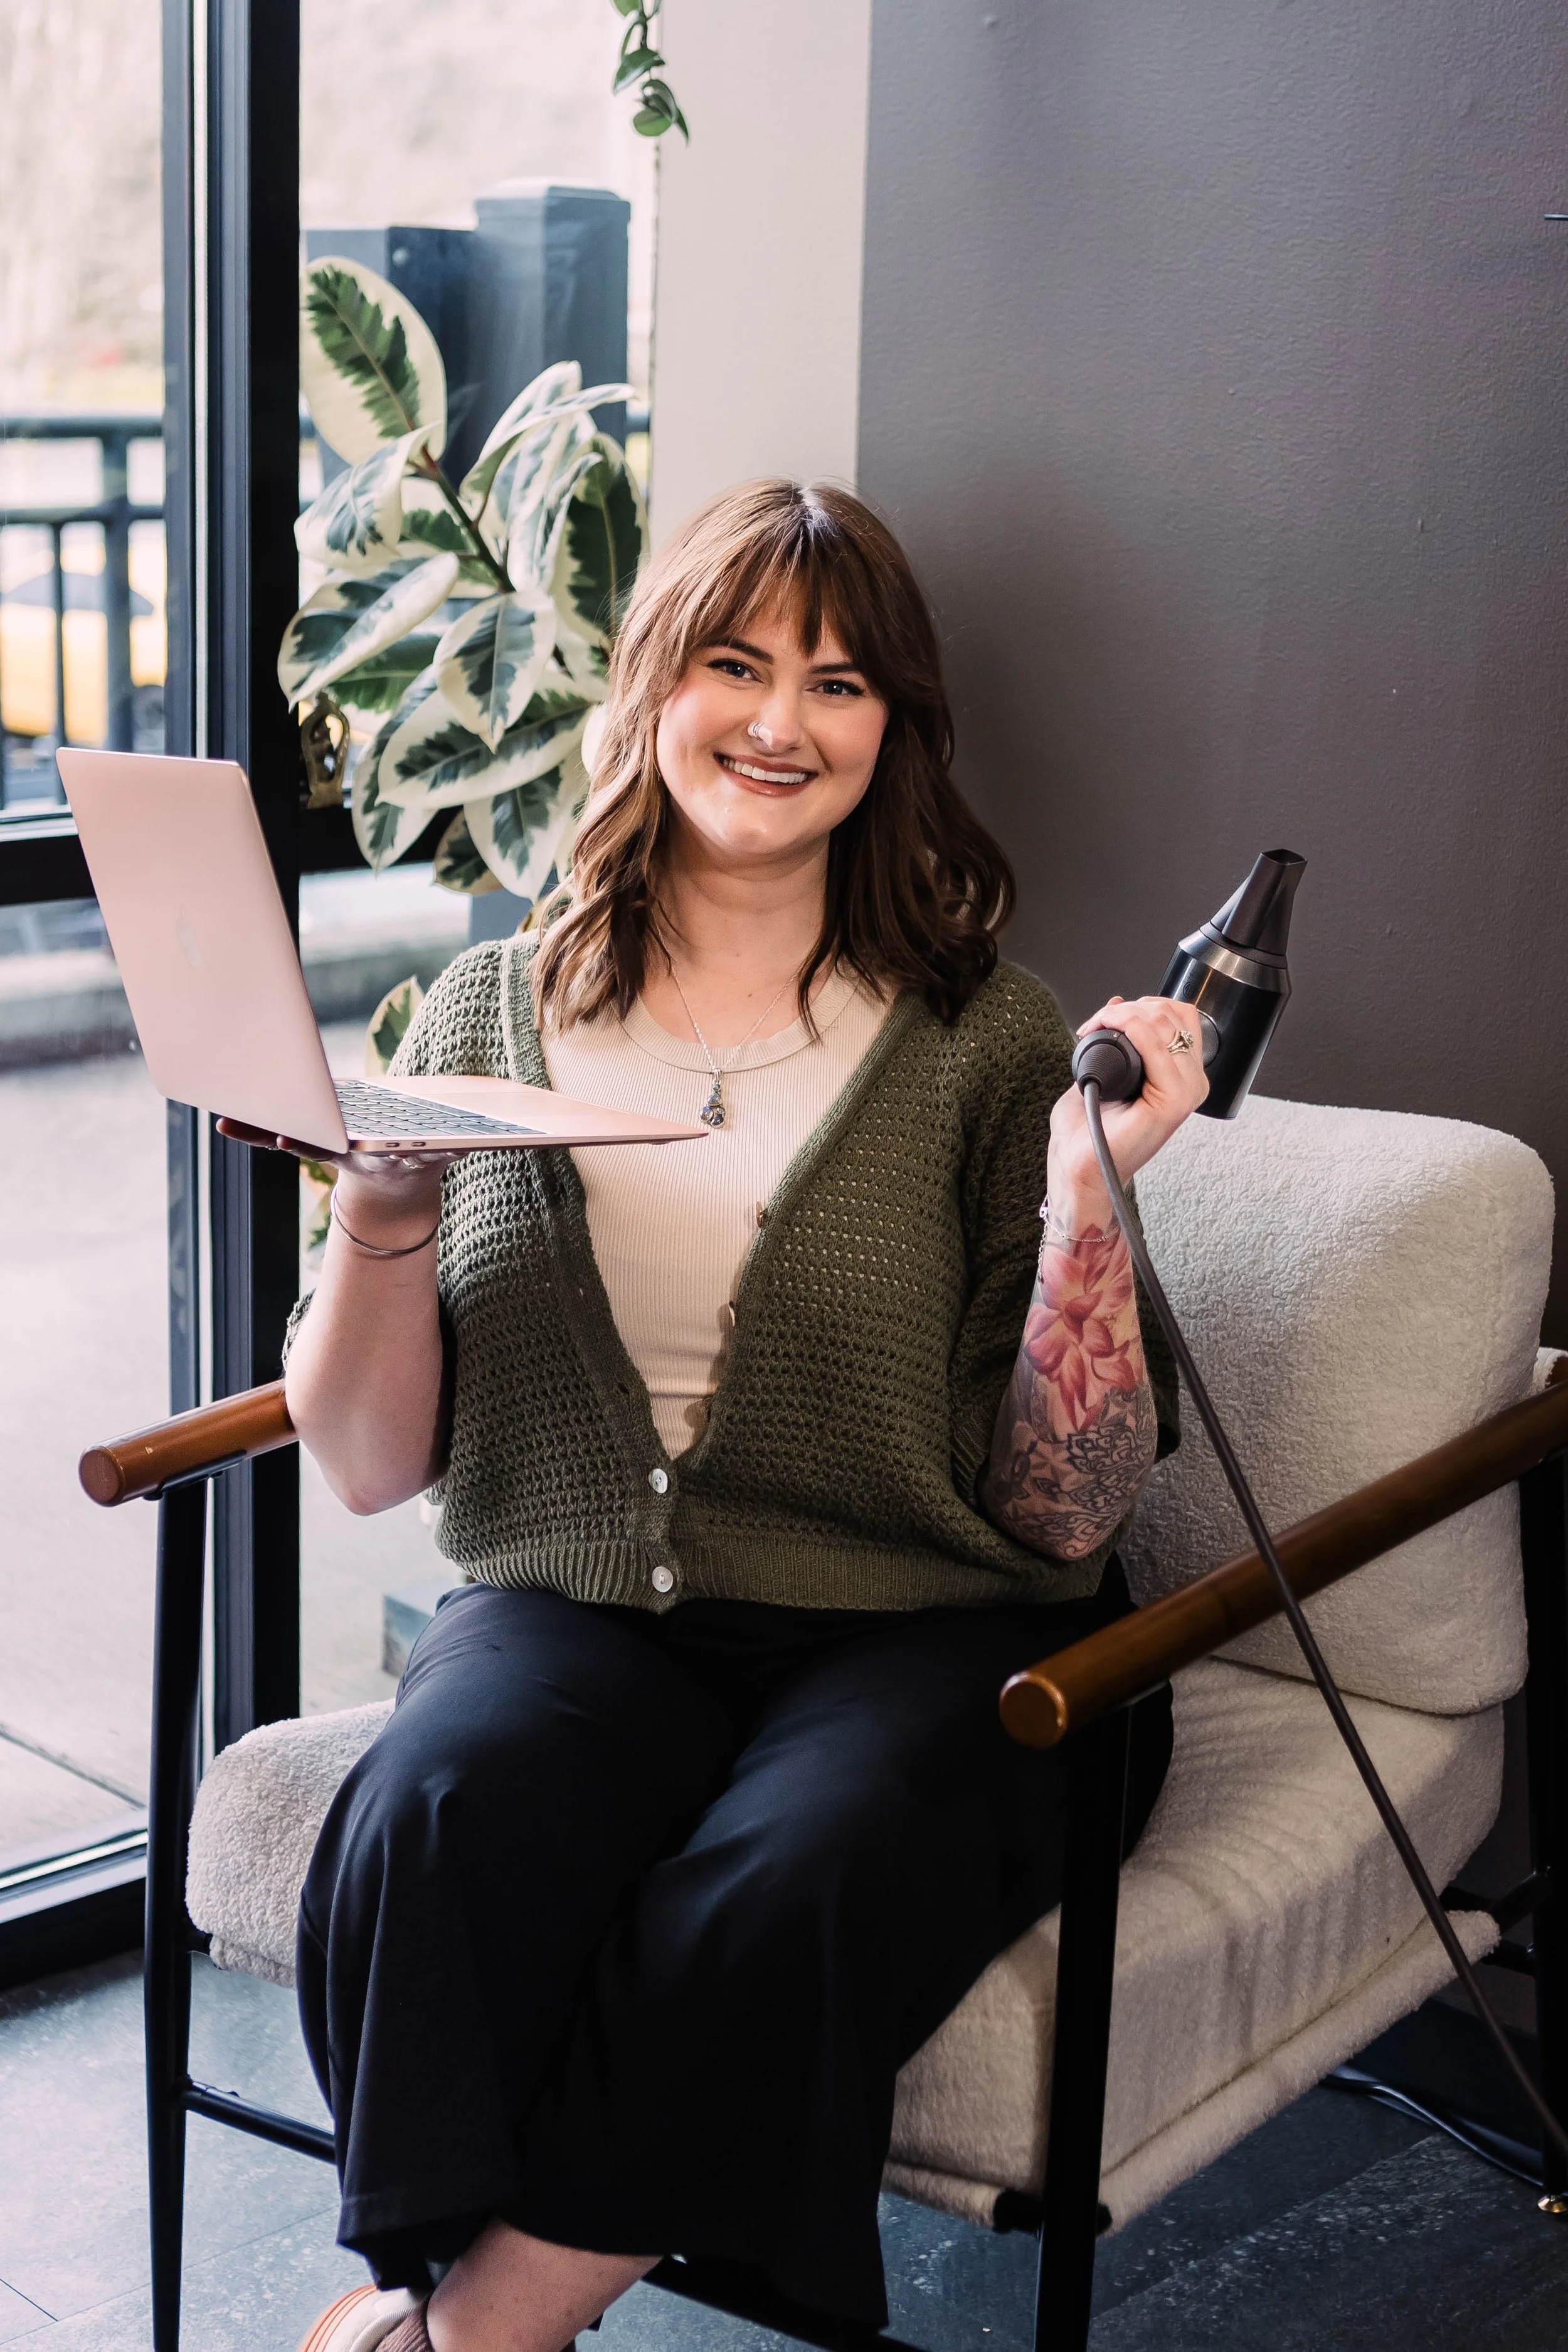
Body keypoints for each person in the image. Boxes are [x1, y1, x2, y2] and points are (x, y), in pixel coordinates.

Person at [235, 480, 1208, 2352]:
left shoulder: (985, 1037)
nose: (780, 721)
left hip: (941, 1629)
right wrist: (376, 1212)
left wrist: (1092, 1196)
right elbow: (363, 1463)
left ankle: (469, 2330)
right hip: (593, 1607)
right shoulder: (481, 1008)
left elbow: (1068, 1514)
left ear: (893, 731)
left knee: (803, 1861)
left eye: (839, 683)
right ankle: (426, 2284)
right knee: (427, 1810)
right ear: (649, 681)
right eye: (734, 661)